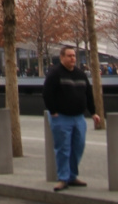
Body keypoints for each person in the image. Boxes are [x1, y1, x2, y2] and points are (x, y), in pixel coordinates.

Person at [43, 44, 102, 190]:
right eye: (69, 56)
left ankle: (72, 176)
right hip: (61, 117)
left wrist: (93, 112)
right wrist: (53, 111)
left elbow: (88, 93)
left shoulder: (80, 74)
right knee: (63, 148)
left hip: (79, 117)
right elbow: (47, 92)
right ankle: (63, 178)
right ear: (62, 57)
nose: (73, 58)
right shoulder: (55, 74)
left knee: (78, 147)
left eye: (74, 56)